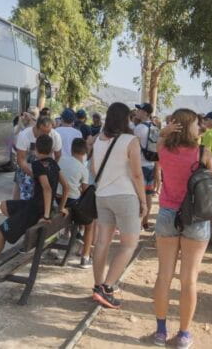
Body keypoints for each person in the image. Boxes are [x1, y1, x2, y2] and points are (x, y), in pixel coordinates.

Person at [151, 108, 212, 348]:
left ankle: (160, 332)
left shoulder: (164, 151)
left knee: (164, 275)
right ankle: (184, 335)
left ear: (174, 126)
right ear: (193, 127)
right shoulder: (203, 154)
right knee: (189, 280)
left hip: (168, 214)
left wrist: (164, 130)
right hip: (196, 218)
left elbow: (157, 141)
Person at [0, 134, 70, 267]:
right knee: (4, 205)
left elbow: (47, 189)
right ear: (52, 150)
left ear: (36, 150)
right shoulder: (54, 164)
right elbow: (66, 187)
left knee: (1, 231)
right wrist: (61, 206)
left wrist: (45, 216)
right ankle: (19, 226)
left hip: (35, 210)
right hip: (36, 206)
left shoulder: (37, 164)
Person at [90, 102, 146, 309]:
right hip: (125, 196)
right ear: (126, 118)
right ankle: (107, 287)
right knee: (129, 244)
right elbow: (137, 174)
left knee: (102, 242)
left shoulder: (98, 139)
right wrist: (142, 200)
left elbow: (95, 169)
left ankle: (97, 286)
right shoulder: (131, 140)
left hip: (102, 195)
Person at [58, 138, 92, 268]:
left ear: (71, 149)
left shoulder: (61, 160)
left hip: (58, 199)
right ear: (85, 152)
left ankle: (75, 234)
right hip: (71, 202)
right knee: (90, 223)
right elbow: (85, 192)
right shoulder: (83, 169)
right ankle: (85, 257)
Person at [14, 116, 63, 200]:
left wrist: (50, 170)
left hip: (45, 169)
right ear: (37, 127)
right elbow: (21, 159)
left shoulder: (55, 136)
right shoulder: (24, 135)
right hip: (27, 168)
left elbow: (58, 155)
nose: (47, 134)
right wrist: (33, 174)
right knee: (24, 195)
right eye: (44, 131)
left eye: (49, 131)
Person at [133, 103, 159, 232]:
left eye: (140, 110)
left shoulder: (139, 128)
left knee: (139, 196)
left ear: (145, 113)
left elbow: (133, 147)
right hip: (151, 164)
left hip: (141, 165)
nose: (137, 111)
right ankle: (145, 222)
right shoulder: (155, 127)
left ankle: (137, 224)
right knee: (148, 195)